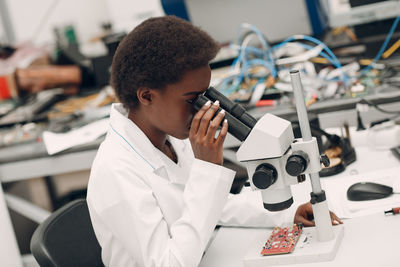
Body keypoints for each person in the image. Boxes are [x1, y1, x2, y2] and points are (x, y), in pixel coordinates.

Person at [86, 15, 342, 267]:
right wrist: (208, 169)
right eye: (192, 99)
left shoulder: (168, 136)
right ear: (147, 96)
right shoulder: (115, 170)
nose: (202, 109)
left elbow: (215, 204)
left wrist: (287, 214)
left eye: (206, 95)